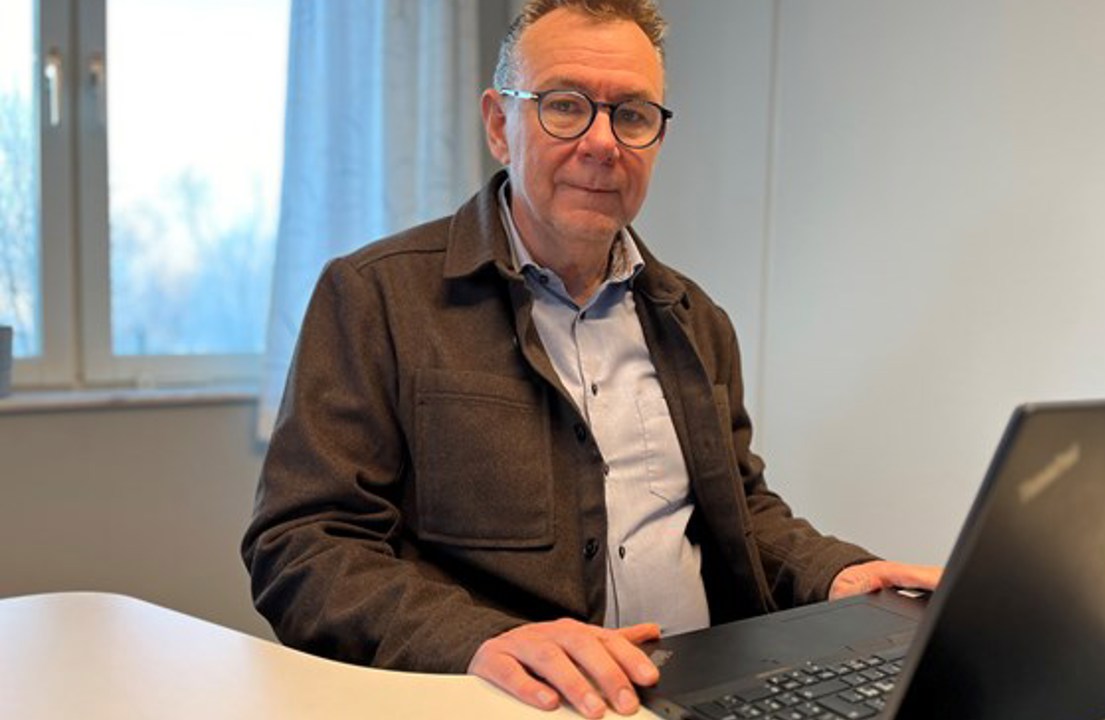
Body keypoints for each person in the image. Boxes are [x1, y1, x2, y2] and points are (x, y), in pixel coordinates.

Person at [241, 1, 941, 717]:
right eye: (565, 106)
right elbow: (303, 547)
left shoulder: (696, 322)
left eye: (632, 115)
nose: (603, 143)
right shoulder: (376, 297)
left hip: (695, 696)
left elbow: (741, 511)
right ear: (499, 125)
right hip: (509, 703)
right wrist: (479, 640)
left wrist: (839, 574)